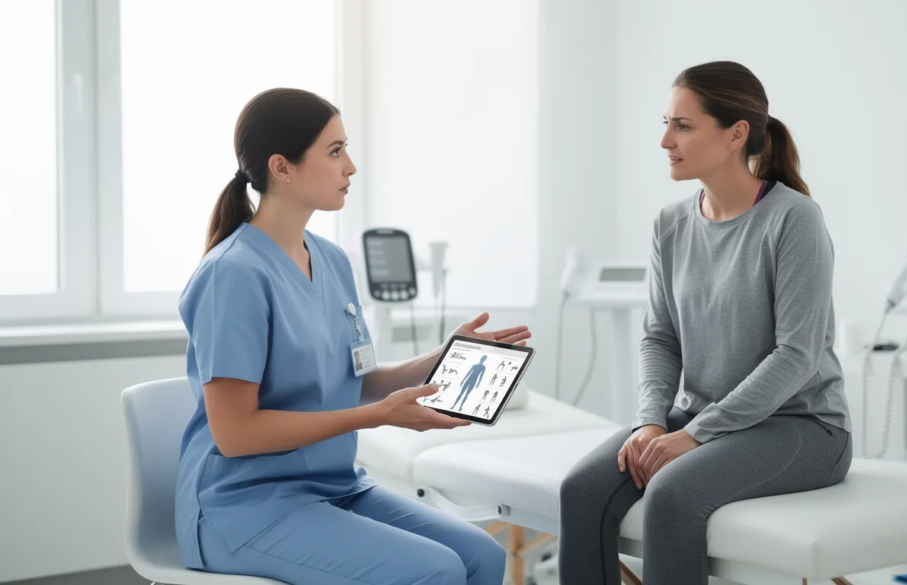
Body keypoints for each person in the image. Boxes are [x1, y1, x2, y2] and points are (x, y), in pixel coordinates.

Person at [174, 88, 532, 585]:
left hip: (334, 487)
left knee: (483, 555)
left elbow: (352, 381)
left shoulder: (332, 260)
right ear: (283, 167)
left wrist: (444, 356)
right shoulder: (233, 275)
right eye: (335, 151)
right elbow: (235, 435)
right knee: (438, 571)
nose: (351, 168)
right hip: (246, 506)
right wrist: (378, 418)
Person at [558, 61, 853, 584]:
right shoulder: (670, 224)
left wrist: (695, 434)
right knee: (581, 490)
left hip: (803, 427)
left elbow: (796, 356)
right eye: (665, 123)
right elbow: (660, 337)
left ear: (737, 134)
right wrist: (650, 421)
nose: (666, 140)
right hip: (699, 420)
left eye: (683, 126)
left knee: (672, 492)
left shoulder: (794, 220)